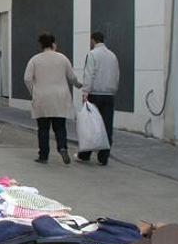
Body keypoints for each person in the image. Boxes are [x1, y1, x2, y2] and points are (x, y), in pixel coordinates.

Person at [24, 32, 82, 165]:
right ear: (53, 44)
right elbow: (71, 77)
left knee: (43, 128)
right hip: (60, 97)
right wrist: (79, 85)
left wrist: (33, 91)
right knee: (60, 126)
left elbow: (27, 78)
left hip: (42, 97)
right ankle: (62, 147)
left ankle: (43, 155)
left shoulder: (35, 59)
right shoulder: (63, 58)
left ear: (41, 45)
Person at [77, 31, 120, 166]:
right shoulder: (112, 56)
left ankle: (85, 154)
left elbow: (89, 73)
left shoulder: (92, 54)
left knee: (92, 125)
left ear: (93, 40)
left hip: (95, 94)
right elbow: (116, 74)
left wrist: (85, 92)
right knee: (107, 126)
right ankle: (104, 156)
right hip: (109, 95)